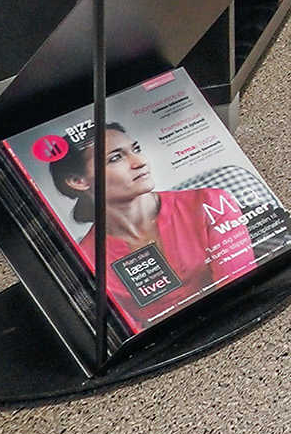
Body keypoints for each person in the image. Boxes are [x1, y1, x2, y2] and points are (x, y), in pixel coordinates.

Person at [46, 119, 248, 331]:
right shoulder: (87, 259)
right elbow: (127, 331)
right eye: (115, 158)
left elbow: (239, 289)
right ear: (78, 181)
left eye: (136, 149)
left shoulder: (211, 202)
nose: (139, 162)